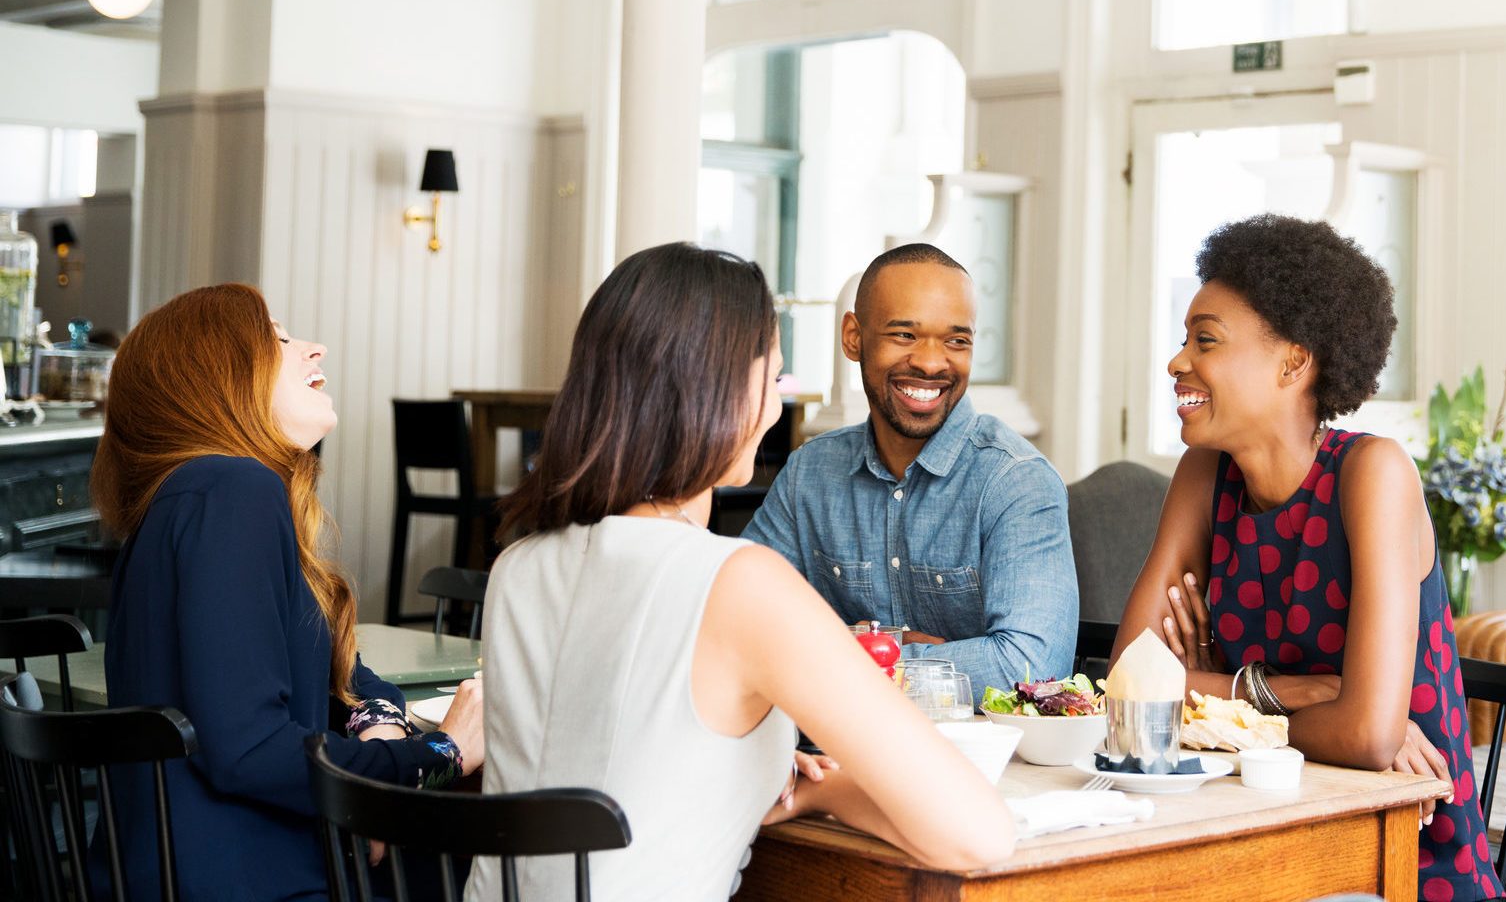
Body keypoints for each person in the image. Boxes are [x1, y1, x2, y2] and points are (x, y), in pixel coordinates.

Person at [468, 243, 1014, 902]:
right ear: (719, 390)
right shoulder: (740, 583)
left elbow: (607, 752)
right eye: (774, 379)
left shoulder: (516, 567)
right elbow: (977, 834)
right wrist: (824, 790)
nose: (775, 409)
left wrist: (748, 768)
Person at [1116, 214, 1504, 902]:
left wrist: (1217, 693)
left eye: (1204, 341)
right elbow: (1130, 688)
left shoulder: (1372, 474)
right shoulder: (1203, 474)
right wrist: (1304, 691)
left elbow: (1365, 738)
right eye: (1183, 340)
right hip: (1260, 835)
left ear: (1293, 362)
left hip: (1397, 858)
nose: (1177, 362)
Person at [91, 283, 485, 902]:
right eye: (276, 339)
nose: (315, 348)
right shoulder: (230, 489)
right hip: (257, 882)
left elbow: (345, 672)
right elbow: (249, 750)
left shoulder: (195, 497)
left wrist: (378, 728)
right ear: (215, 376)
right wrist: (442, 752)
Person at [742, 243, 1077, 699]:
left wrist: (869, 653)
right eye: (905, 335)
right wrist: (912, 655)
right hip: (832, 754)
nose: (931, 361)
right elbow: (744, 622)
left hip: (979, 762)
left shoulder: (1015, 481)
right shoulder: (811, 472)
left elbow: (1033, 669)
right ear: (854, 338)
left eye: (956, 341)